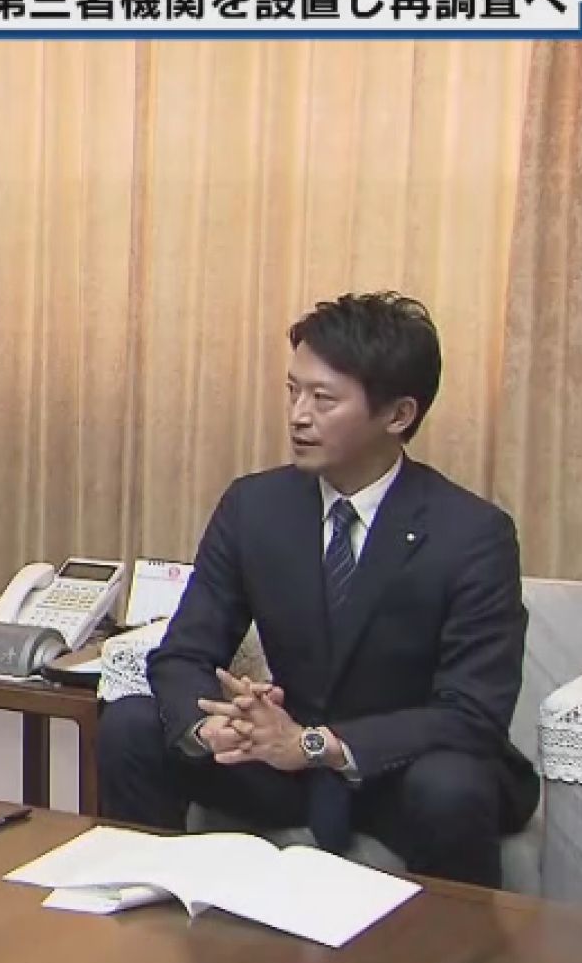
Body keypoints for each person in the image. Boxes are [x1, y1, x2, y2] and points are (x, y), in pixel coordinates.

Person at [97, 292, 538, 888]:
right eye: (293, 391)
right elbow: (184, 654)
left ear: (398, 415)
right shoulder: (255, 507)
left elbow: (472, 714)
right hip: (282, 767)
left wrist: (316, 743)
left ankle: (452, 945)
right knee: (131, 724)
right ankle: (140, 906)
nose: (298, 416)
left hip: (396, 772)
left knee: (451, 785)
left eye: (323, 399)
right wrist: (210, 727)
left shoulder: (472, 534)